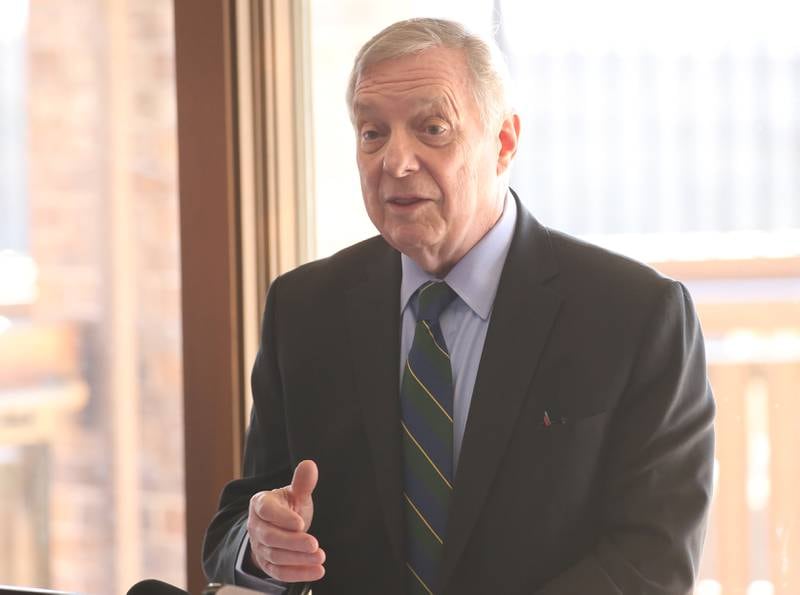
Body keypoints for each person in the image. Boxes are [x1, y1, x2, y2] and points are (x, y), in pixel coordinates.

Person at [202, 18, 715, 595]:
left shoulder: (635, 315)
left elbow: (653, 561)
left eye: (433, 129)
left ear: (504, 142)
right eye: (373, 133)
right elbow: (231, 530)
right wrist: (263, 541)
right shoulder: (304, 309)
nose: (396, 161)